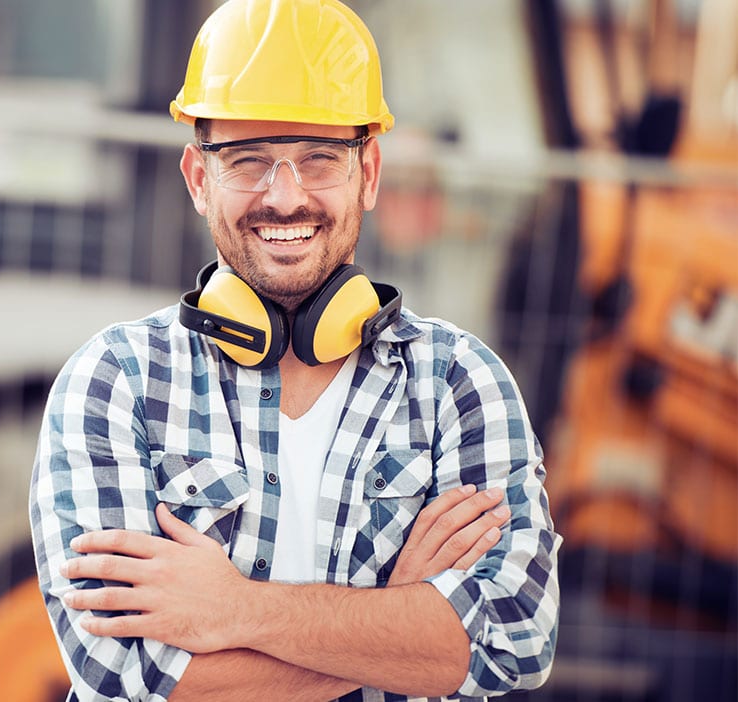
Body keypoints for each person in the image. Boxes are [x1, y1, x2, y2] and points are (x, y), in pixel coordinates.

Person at [29, 0, 561, 699]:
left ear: (368, 174)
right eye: (248, 160)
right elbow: (126, 676)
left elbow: (510, 642)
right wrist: (396, 615)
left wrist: (234, 609)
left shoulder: (461, 384)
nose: (286, 198)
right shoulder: (114, 381)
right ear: (198, 179)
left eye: (320, 159)